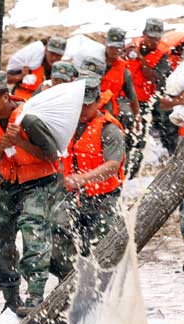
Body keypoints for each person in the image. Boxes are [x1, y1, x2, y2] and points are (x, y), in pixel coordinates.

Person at [0, 71, 61, 316]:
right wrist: (3, 145)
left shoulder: (28, 118)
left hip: (39, 180)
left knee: (33, 229)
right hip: (10, 180)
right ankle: (11, 297)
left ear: (4, 96)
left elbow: (52, 154)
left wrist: (20, 142)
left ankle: (35, 296)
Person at [51, 76, 125, 277]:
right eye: (79, 106)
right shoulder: (68, 126)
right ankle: (68, 281)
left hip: (103, 200)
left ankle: (102, 292)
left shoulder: (109, 129)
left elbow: (112, 165)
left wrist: (84, 179)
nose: (82, 110)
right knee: (56, 232)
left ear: (97, 102)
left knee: (101, 250)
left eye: (87, 106)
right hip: (73, 197)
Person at [125, 18, 172, 177]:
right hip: (125, 99)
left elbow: (154, 78)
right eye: (151, 37)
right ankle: (123, 170)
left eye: (157, 38)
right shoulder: (131, 45)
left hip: (145, 102)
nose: (154, 41)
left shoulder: (162, 56)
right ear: (144, 34)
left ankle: (132, 173)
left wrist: (140, 58)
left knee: (138, 138)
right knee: (124, 135)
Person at [102, 27, 141, 169]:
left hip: (112, 110)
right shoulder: (95, 63)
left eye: (117, 47)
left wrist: (137, 117)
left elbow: (132, 97)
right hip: (91, 106)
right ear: (105, 44)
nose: (114, 50)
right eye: (111, 46)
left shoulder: (124, 71)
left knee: (127, 117)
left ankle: (124, 163)